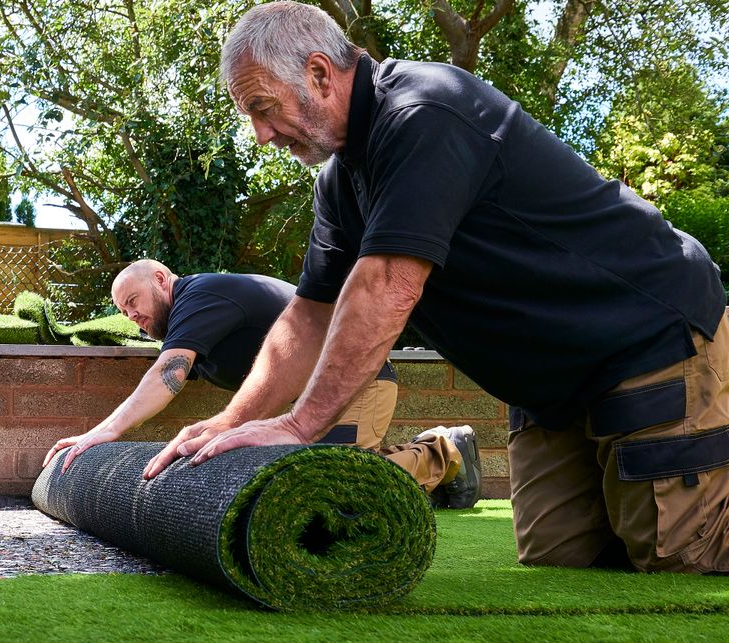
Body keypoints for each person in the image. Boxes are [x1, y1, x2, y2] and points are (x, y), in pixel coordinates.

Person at [146, 1, 729, 574]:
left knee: (679, 554)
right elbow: (308, 316)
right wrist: (231, 423)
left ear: (319, 74)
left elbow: (386, 285)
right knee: (562, 556)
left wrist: (300, 426)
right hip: (552, 390)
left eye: (263, 108)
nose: (260, 135)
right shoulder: (340, 181)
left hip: (647, 337)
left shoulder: (424, 113)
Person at [45, 259, 482, 509]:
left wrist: (104, 431)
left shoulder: (199, 296)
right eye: (123, 312)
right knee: (301, 487)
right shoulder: (197, 324)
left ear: (161, 279)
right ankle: (426, 466)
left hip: (356, 381)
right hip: (306, 404)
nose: (131, 317)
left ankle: (443, 453)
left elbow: (166, 376)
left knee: (336, 486)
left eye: (133, 302)